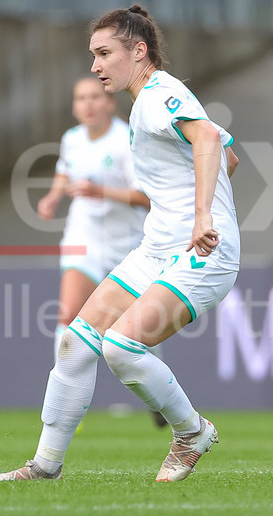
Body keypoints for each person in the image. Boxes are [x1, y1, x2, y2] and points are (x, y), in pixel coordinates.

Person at [0, 4, 240, 482]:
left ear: (138, 51)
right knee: (76, 343)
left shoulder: (159, 94)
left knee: (121, 347)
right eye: (93, 55)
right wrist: (196, 197)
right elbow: (229, 158)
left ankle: (191, 432)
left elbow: (208, 140)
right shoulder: (149, 101)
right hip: (157, 249)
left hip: (202, 254)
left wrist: (205, 215)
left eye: (104, 54)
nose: (95, 65)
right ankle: (45, 466)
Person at [38, 77, 167, 428]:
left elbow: (146, 197)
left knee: (140, 329)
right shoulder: (71, 139)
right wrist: (53, 197)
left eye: (95, 96)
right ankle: (63, 408)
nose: (88, 104)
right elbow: (64, 171)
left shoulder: (127, 139)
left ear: (109, 103)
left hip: (127, 246)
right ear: (74, 106)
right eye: (81, 98)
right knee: (68, 316)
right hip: (83, 240)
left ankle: (158, 396)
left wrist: (102, 192)